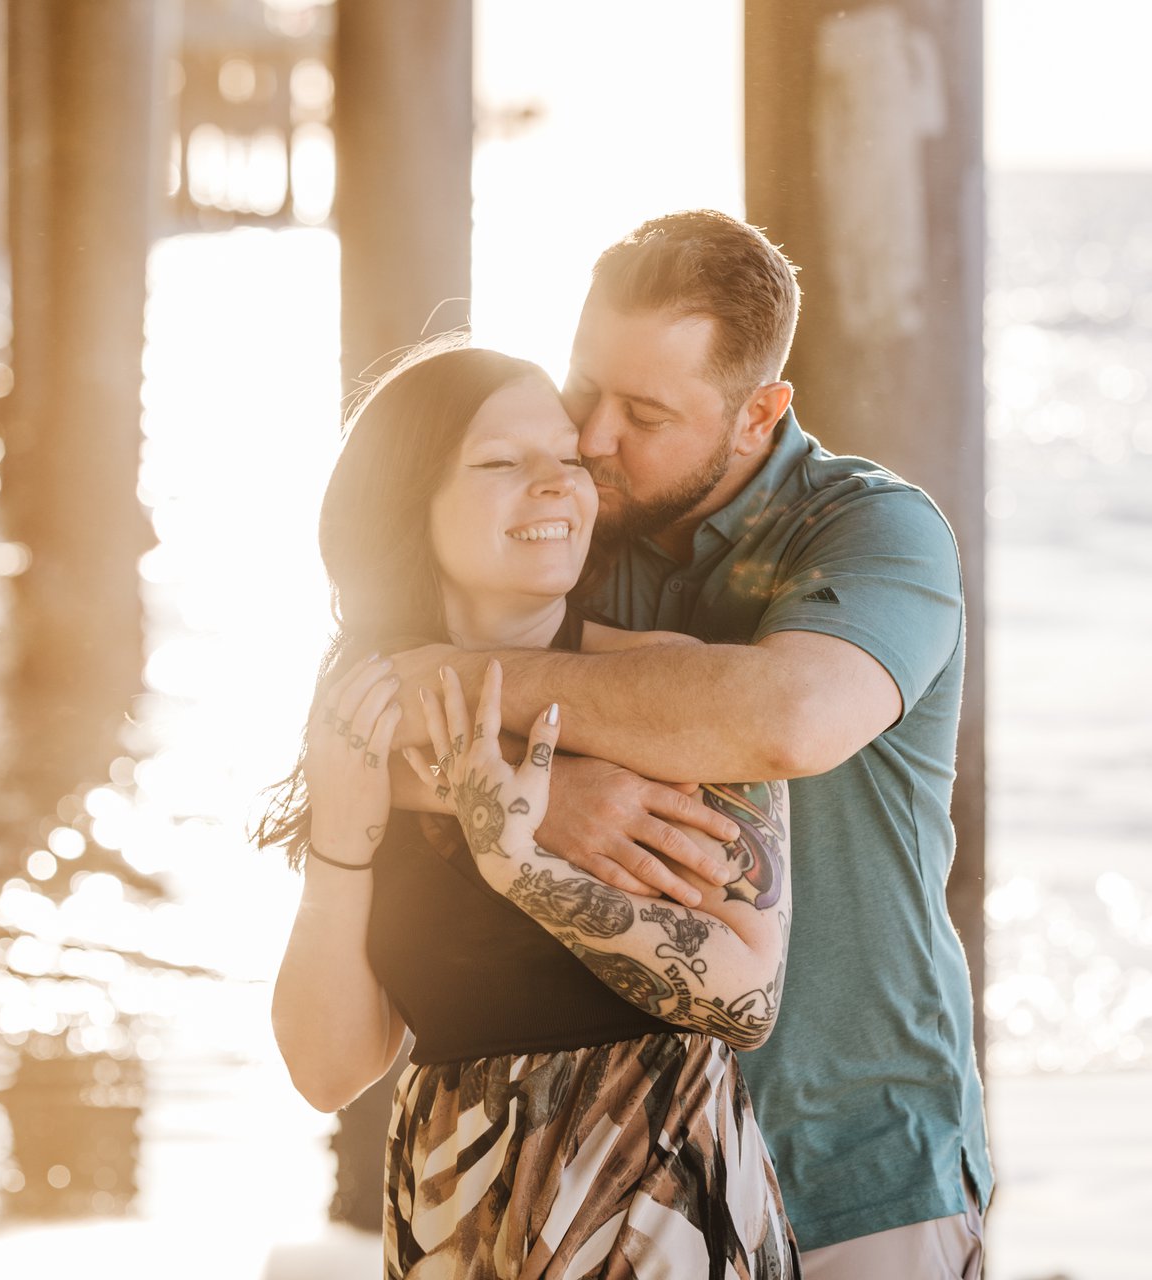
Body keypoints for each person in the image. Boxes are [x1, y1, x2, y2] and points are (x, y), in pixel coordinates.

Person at [383, 211, 991, 1278]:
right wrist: (532, 796)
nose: (595, 436)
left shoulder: (873, 531)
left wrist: (457, 682)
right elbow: (351, 725)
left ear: (759, 414)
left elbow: (790, 719)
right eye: (587, 387)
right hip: (618, 1162)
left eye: (647, 413)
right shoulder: (573, 521)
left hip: (854, 1162)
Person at [259, 343, 800, 1277]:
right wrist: (342, 840)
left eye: (570, 459)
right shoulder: (370, 720)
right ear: (409, 501)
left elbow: (745, 999)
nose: (558, 485)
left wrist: (525, 866)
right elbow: (327, 1070)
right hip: (457, 1207)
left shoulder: (670, 685)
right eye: (502, 462)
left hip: (653, 1191)